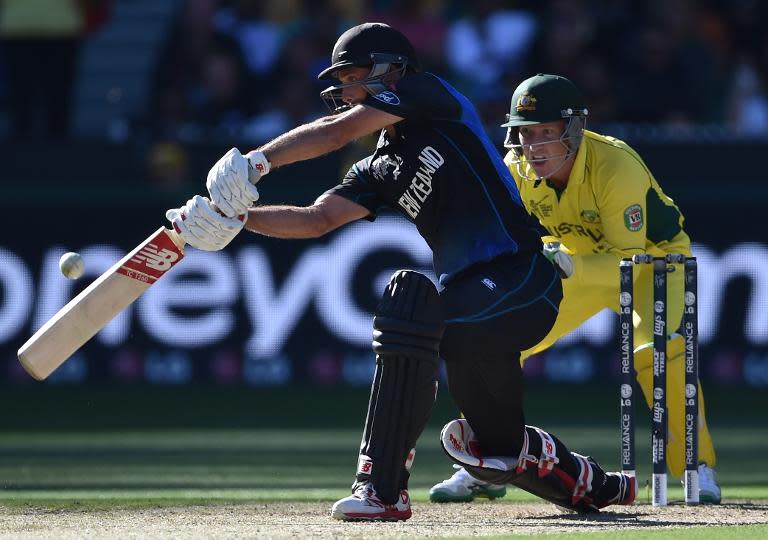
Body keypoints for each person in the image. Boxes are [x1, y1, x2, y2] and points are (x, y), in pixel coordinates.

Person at [166, 25, 636, 521]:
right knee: (496, 448)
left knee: (410, 303)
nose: (345, 92)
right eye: (340, 82)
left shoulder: (430, 94)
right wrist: (237, 221)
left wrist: (257, 162)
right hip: (471, 304)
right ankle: (587, 480)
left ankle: (382, 488)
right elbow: (317, 218)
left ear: (392, 69)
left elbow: (336, 132)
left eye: (354, 77)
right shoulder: (379, 166)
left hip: (522, 277)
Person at [429, 73, 721, 505]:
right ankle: (489, 462)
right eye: (526, 134)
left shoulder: (615, 164)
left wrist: (569, 264)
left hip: (655, 261)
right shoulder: (517, 172)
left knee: (656, 351)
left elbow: (629, 261)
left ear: (574, 130)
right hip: (572, 265)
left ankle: (695, 466)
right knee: (490, 343)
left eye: (546, 133)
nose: (535, 147)